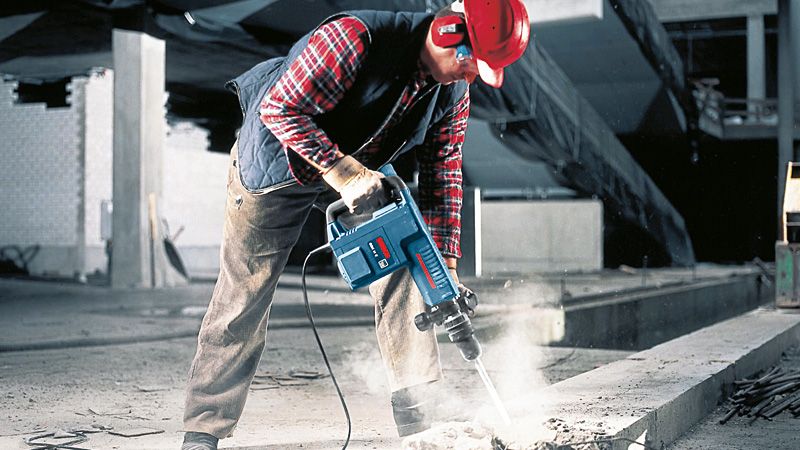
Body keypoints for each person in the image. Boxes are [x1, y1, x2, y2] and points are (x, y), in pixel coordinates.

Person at [181, 1, 529, 448]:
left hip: (359, 172)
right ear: (445, 31)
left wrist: (443, 269)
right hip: (274, 164)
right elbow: (281, 109)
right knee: (244, 294)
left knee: (412, 258)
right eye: (469, 61)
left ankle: (419, 417)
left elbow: (443, 171)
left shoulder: (452, 92)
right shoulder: (354, 38)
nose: (470, 75)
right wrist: (343, 175)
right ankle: (203, 430)